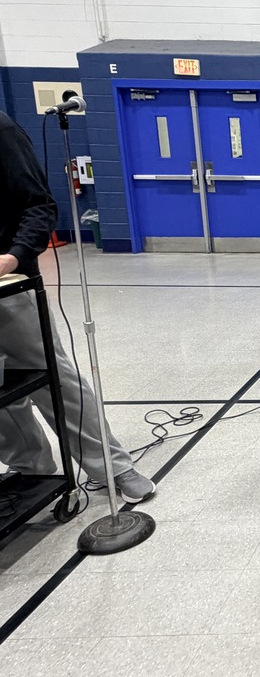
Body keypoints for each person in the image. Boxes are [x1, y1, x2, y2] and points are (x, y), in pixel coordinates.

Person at [0, 110, 156, 503]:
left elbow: (39, 206)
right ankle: (30, 469)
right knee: (3, 394)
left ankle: (112, 465)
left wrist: (14, 257)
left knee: (55, 378)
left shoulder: (2, 131)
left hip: (11, 287)